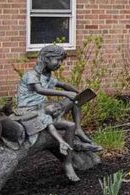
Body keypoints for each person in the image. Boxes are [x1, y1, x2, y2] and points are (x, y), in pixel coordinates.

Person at [16, 45, 100, 182]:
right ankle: (67, 164)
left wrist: (78, 93)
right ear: (46, 58)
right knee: (68, 124)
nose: (60, 64)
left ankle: (78, 130)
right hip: (30, 112)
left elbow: (64, 85)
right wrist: (65, 93)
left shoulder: (47, 76)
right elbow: (39, 90)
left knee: (73, 103)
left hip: (43, 108)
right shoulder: (31, 75)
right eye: (58, 60)